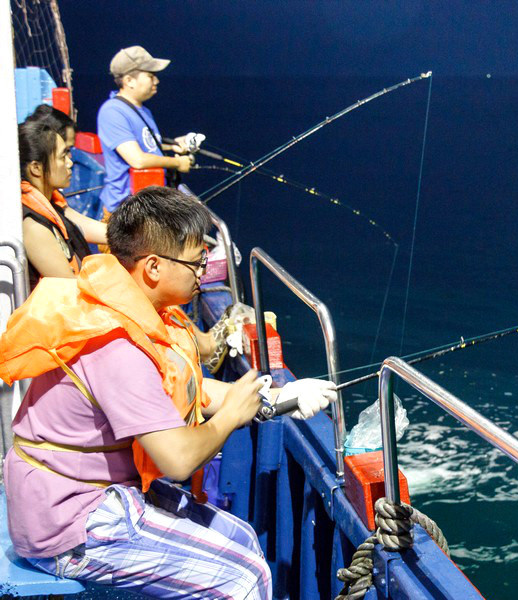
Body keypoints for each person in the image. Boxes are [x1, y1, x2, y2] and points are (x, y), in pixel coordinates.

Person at [0, 186, 336, 598]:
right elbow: (177, 460)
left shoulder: (131, 310)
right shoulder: (116, 345)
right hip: (69, 522)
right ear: (154, 267)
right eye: (196, 263)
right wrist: (232, 415)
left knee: (243, 538)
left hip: (84, 491)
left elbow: (187, 388)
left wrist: (277, 396)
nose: (202, 273)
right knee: (244, 577)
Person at [97, 46, 193, 214]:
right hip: (124, 211)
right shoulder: (112, 111)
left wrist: (172, 147)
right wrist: (178, 163)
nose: (156, 81)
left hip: (147, 207)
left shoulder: (143, 110)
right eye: (150, 75)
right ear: (129, 81)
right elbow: (137, 159)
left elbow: (146, 146)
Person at [18, 120, 108, 288]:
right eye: (62, 156)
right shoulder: (33, 225)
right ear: (36, 168)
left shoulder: (52, 203)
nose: (70, 163)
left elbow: (95, 229)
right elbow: (71, 290)